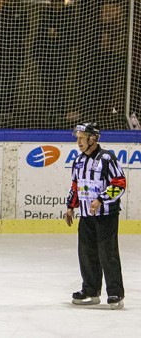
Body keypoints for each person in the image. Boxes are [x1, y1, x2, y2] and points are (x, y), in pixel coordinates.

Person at [64, 122, 127, 310]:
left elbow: (120, 183)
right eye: (77, 138)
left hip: (106, 215)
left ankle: (115, 292)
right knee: (86, 253)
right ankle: (91, 290)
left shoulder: (107, 158)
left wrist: (101, 199)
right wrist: (70, 206)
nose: (79, 142)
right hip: (85, 215)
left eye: (82, 138)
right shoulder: (78, 160)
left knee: (108, 254)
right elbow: (76, 185)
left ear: (93, 138)